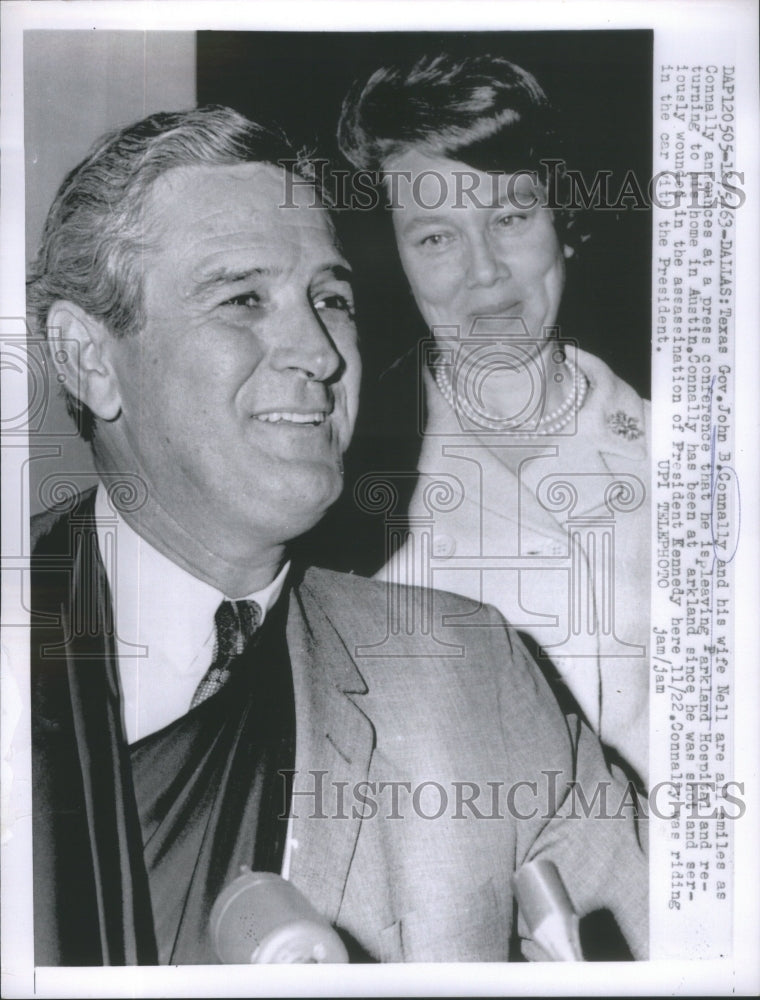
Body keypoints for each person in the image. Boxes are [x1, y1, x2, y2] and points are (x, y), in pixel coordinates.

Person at [28, 105, 646, 966]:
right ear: (89, 359)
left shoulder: (473, 673)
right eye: (243, 298)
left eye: (331, 299)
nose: (320, 353)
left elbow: (689, 948)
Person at [338, 54, 651, 786]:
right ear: (396, 259)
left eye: (510, 216)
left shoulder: (691, 452)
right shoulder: (346, 490)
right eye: (436, 236)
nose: (485, 271)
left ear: (564, 223)